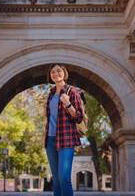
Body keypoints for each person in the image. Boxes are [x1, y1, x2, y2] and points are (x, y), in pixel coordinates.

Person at [44, 63, 83, 196]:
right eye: (52, 72)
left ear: (64, 73)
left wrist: (68, 103)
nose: (55, 74)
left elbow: (78, 117)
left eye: (58, 71)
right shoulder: (50, 94)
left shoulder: (71, 91)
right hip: (50, 140)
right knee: (55, 180)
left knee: (64, 178)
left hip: (66, 139)